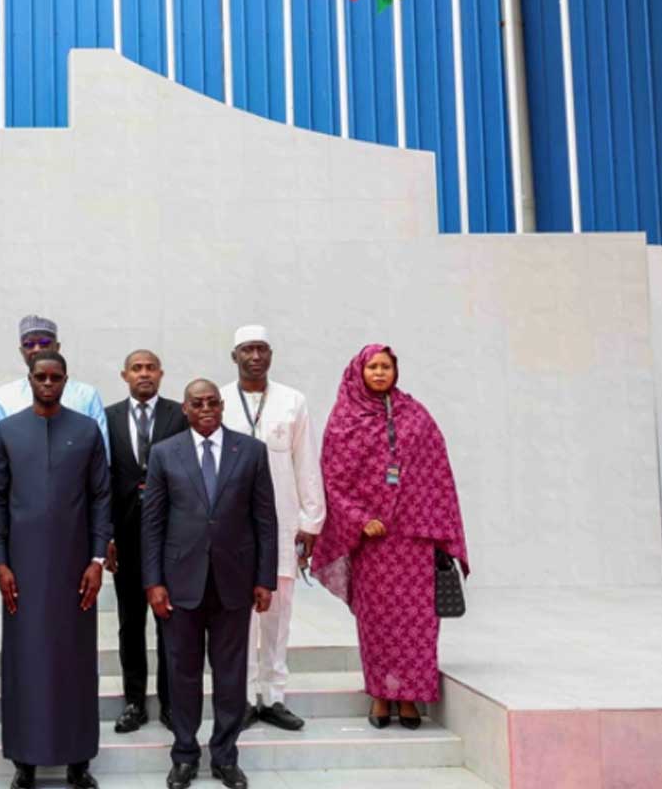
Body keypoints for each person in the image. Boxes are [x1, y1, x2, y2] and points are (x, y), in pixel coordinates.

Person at [309, 345, 468, 731]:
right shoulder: (344, 419)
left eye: (386, 367)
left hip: (413, 540)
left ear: (396, 371)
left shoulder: (415, 415)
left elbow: (438, 473)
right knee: (377, 621)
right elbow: (332, 480)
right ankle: (380, 695)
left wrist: (435, 527)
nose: (380, 373)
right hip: (373, 544)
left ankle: (410, 696)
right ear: (359, 372)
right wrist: (360, 519)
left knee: (416, 622)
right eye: (373, 367)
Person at [142, 381, 277, 789]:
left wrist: (264, 578)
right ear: (185, 409)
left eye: (213, 402)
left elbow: (265, 520)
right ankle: (184, 754)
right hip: (179, 583)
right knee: (182, 673)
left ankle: (225, 756)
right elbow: (153, 524)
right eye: (197, 403)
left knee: (231, 675)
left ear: (222, 406)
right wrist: (153, 582)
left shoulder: (250, 451)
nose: (206, 409)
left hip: (234, 582)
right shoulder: (164, 453)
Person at [0, 351, 111, 789]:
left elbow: (101, 497)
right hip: (22, 568)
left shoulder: (87, 430)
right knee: (26, 660)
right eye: (41, 377)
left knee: (74, 660)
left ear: (65, 380)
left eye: (55, 377)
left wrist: (97, 559)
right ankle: (25, 761)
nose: (48, 383)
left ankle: (79, 760)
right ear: (30, 378)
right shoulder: (8, 430)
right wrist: (1, 562)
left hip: (75, 567)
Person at [218, 326, 324, 732]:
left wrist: (311, 521)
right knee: (238, 617)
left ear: (271, 355)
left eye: (262, 349)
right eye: (247, 350)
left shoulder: (292, 401)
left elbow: (306, 463)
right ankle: (244, 697)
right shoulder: (220, 401)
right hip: (232, 529)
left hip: (282, 525)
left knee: (278, 614)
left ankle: (274, 696)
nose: (255, 357)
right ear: (235, 356)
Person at [104, 349, 187, 733]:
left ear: (161, 373)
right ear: (125, 375)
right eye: (136, 368)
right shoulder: (108, 417)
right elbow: (101, 479)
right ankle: (134, 701)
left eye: (150, 368)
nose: (144, 374)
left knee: (169, 620)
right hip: (125, 536)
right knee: (130, 622)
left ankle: (170, 702)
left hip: (171, 535)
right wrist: (105, 535)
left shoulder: (178, 415)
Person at [0, 315, 109, 451]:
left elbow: (101, 453)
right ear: (21, 351)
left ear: (57, 347)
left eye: (44, 343)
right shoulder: (2, 398)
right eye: (29, 344)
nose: (36, 349)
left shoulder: (86, 395)